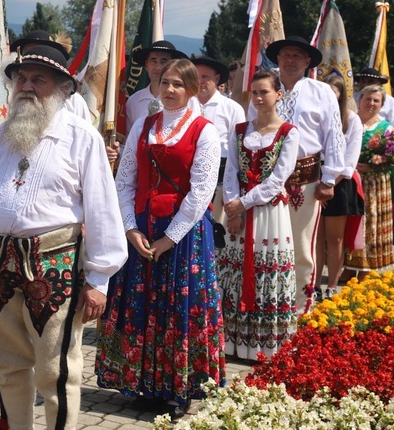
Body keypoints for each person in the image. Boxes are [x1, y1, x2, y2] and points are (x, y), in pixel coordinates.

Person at [0, 45, 127, 430]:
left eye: (38, 79)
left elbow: (102, 209)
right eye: (21, 79)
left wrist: (99, 279)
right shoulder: (2, 135)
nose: (27, 86)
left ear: (63, 88)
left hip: (54, 265)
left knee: (57, 370)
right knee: (8, 366)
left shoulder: (82, 138)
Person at [96, 58, 225, 419]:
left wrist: (169, 238)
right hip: (142, 226)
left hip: (183, 232)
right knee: (142, 304)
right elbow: (125, 181)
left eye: (178, 85)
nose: (169, 90)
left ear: (192, 89)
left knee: (175, 306)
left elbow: (201, 193)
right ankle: (143, 382)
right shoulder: (143, 124)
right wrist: (130, 229)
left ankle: (177, 387)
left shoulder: (204, 130)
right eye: (166, 82)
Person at [252, 36, 346, 315]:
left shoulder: (322, 92)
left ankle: (301, 307)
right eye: (285, 55)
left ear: (307, 62)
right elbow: (250, 129)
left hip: (306, 181)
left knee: (302, 245)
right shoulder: (264, 89)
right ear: (277, 60)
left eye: (297, 56)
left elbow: (334, 137)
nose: (290, 60)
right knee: (267, 242)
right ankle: (267, 303)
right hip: (267, 178)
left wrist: (329, 179)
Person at [218, 70, 299, 361]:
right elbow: (230, 171)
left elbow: (278, 179)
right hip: (239, 211)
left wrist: (243, 203)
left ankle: (265, 345)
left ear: (279, 95)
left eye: (264, 91)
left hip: (269, 214)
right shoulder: (240, 130)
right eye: (254, 92)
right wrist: (232, 205)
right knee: (233, 270)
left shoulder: (288, 132)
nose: (258, 97)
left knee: (266, 272)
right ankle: (231, 341)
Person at [314, 75, 363, 299]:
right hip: (314, 183)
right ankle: (313, 285)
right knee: (315, 237)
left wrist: (328, 184)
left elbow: (349, 162)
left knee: (334, 239)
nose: (330, 97)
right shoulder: (315, 117)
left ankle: (332, 285)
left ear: (341, 95)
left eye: (334, 92)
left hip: (339, 185)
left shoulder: (351, 119)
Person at [344, 85, 394, 278]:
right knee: (349, 221)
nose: (371, 103)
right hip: (350, 180)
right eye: (368, 99)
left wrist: (375, 165)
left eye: (376, 100)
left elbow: (393, 158)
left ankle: (367, 267)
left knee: (370, 221)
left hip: (374, 184)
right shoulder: (349, 122)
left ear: (381, 105)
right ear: (360, 100)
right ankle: (348, 266)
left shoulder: (385, 128)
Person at [191, 56, 246, 225]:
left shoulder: (232, 108)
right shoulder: (185, 105)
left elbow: (239, 151)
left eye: (205, 77)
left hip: (221, 182)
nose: (200, 81)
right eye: (196, 76)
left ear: (216, 79)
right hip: (189, 180)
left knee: (218, 232)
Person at [9, 29, 92, 123]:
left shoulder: (75, 102)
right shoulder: (12, 96)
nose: (27, 88)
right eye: (29, 54)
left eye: (39, 80)